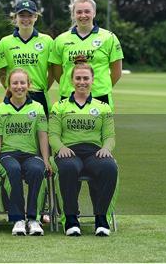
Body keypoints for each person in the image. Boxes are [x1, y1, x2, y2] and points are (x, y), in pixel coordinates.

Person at [49, 56, 118, 237]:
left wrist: (106, 149)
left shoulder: (103, 107)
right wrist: (61, 148)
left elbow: (110, 136)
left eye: (86, 78)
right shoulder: (59, 106)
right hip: (69, 151)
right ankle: (71, 218)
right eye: (78, 78)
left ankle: (101, 218)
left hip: (95, 153)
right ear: (72, 80)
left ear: (92, 80)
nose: (82, 82)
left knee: (110, 167)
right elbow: (53, 135)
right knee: (69, 167)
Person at [0, 68, 51, 236]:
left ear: (29, 85)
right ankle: (17, 218)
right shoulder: (2, 108)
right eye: (15, 83)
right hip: (7, 154)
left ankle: (33, 219)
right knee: (13, 170)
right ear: (8, 86)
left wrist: (46, 159)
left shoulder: (37, 107)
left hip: (31, 155)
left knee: (37, 169)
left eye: (22, 83)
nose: (19, 86)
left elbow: (42, 136)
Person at [49, 0, 124, 109]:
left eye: (87, 11)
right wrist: (71, 85)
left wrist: (100, 87)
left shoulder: (109, 37)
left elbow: (116, 72)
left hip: (100, 96)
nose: (83, 15)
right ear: (73, 14)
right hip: (69, 97)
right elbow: (57, 73)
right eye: (79, 12)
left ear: (94, 13)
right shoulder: (61, 40)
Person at [0, 0, 54, 116]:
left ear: (36, 17)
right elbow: (2, 72)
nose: (26, 19)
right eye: (22, 15)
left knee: (41, 133)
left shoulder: (47, 41)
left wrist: (41, 87)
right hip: (14, 95)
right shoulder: (5, 42)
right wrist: (11, 87)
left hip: (38, 94)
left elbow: (53, 71)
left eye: (30, 15)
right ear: (15, 17)